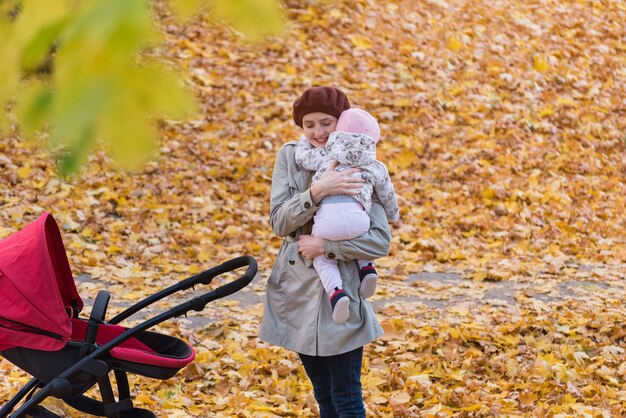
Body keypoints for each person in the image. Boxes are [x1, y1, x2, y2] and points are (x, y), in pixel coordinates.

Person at [260, 86, 392, 418]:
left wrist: (327, 246)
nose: (318, 132)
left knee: (346, 397)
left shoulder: (362, 160)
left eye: (326, 123)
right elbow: (279, 221)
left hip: (343, 292)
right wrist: (318, 191)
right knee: (323, 395)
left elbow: (379, 241)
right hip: (299, 293)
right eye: (309, 124)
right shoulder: (290, 157)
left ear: (342, 122)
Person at [295, 108, 400, 324]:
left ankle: (336, 293)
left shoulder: (329, 153)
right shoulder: (375, 164)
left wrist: (302, 142)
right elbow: (387, 193)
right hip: (359, 217)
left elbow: (304, 158)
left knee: (321, 258)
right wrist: (393, 215)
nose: (318, 132)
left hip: (328, 220)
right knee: (359, 237)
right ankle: (367, 268)